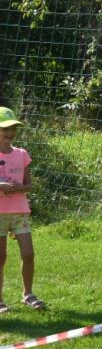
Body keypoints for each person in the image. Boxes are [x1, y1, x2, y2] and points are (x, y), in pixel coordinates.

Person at [0, 106, 44, 312]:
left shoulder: (21, 154)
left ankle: (28, 294)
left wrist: (16, 188)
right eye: (5, 129)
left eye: (13, 129)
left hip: (19, 212)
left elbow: (29, 185)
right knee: (1, 257)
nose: (10, 133)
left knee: (28, 254)